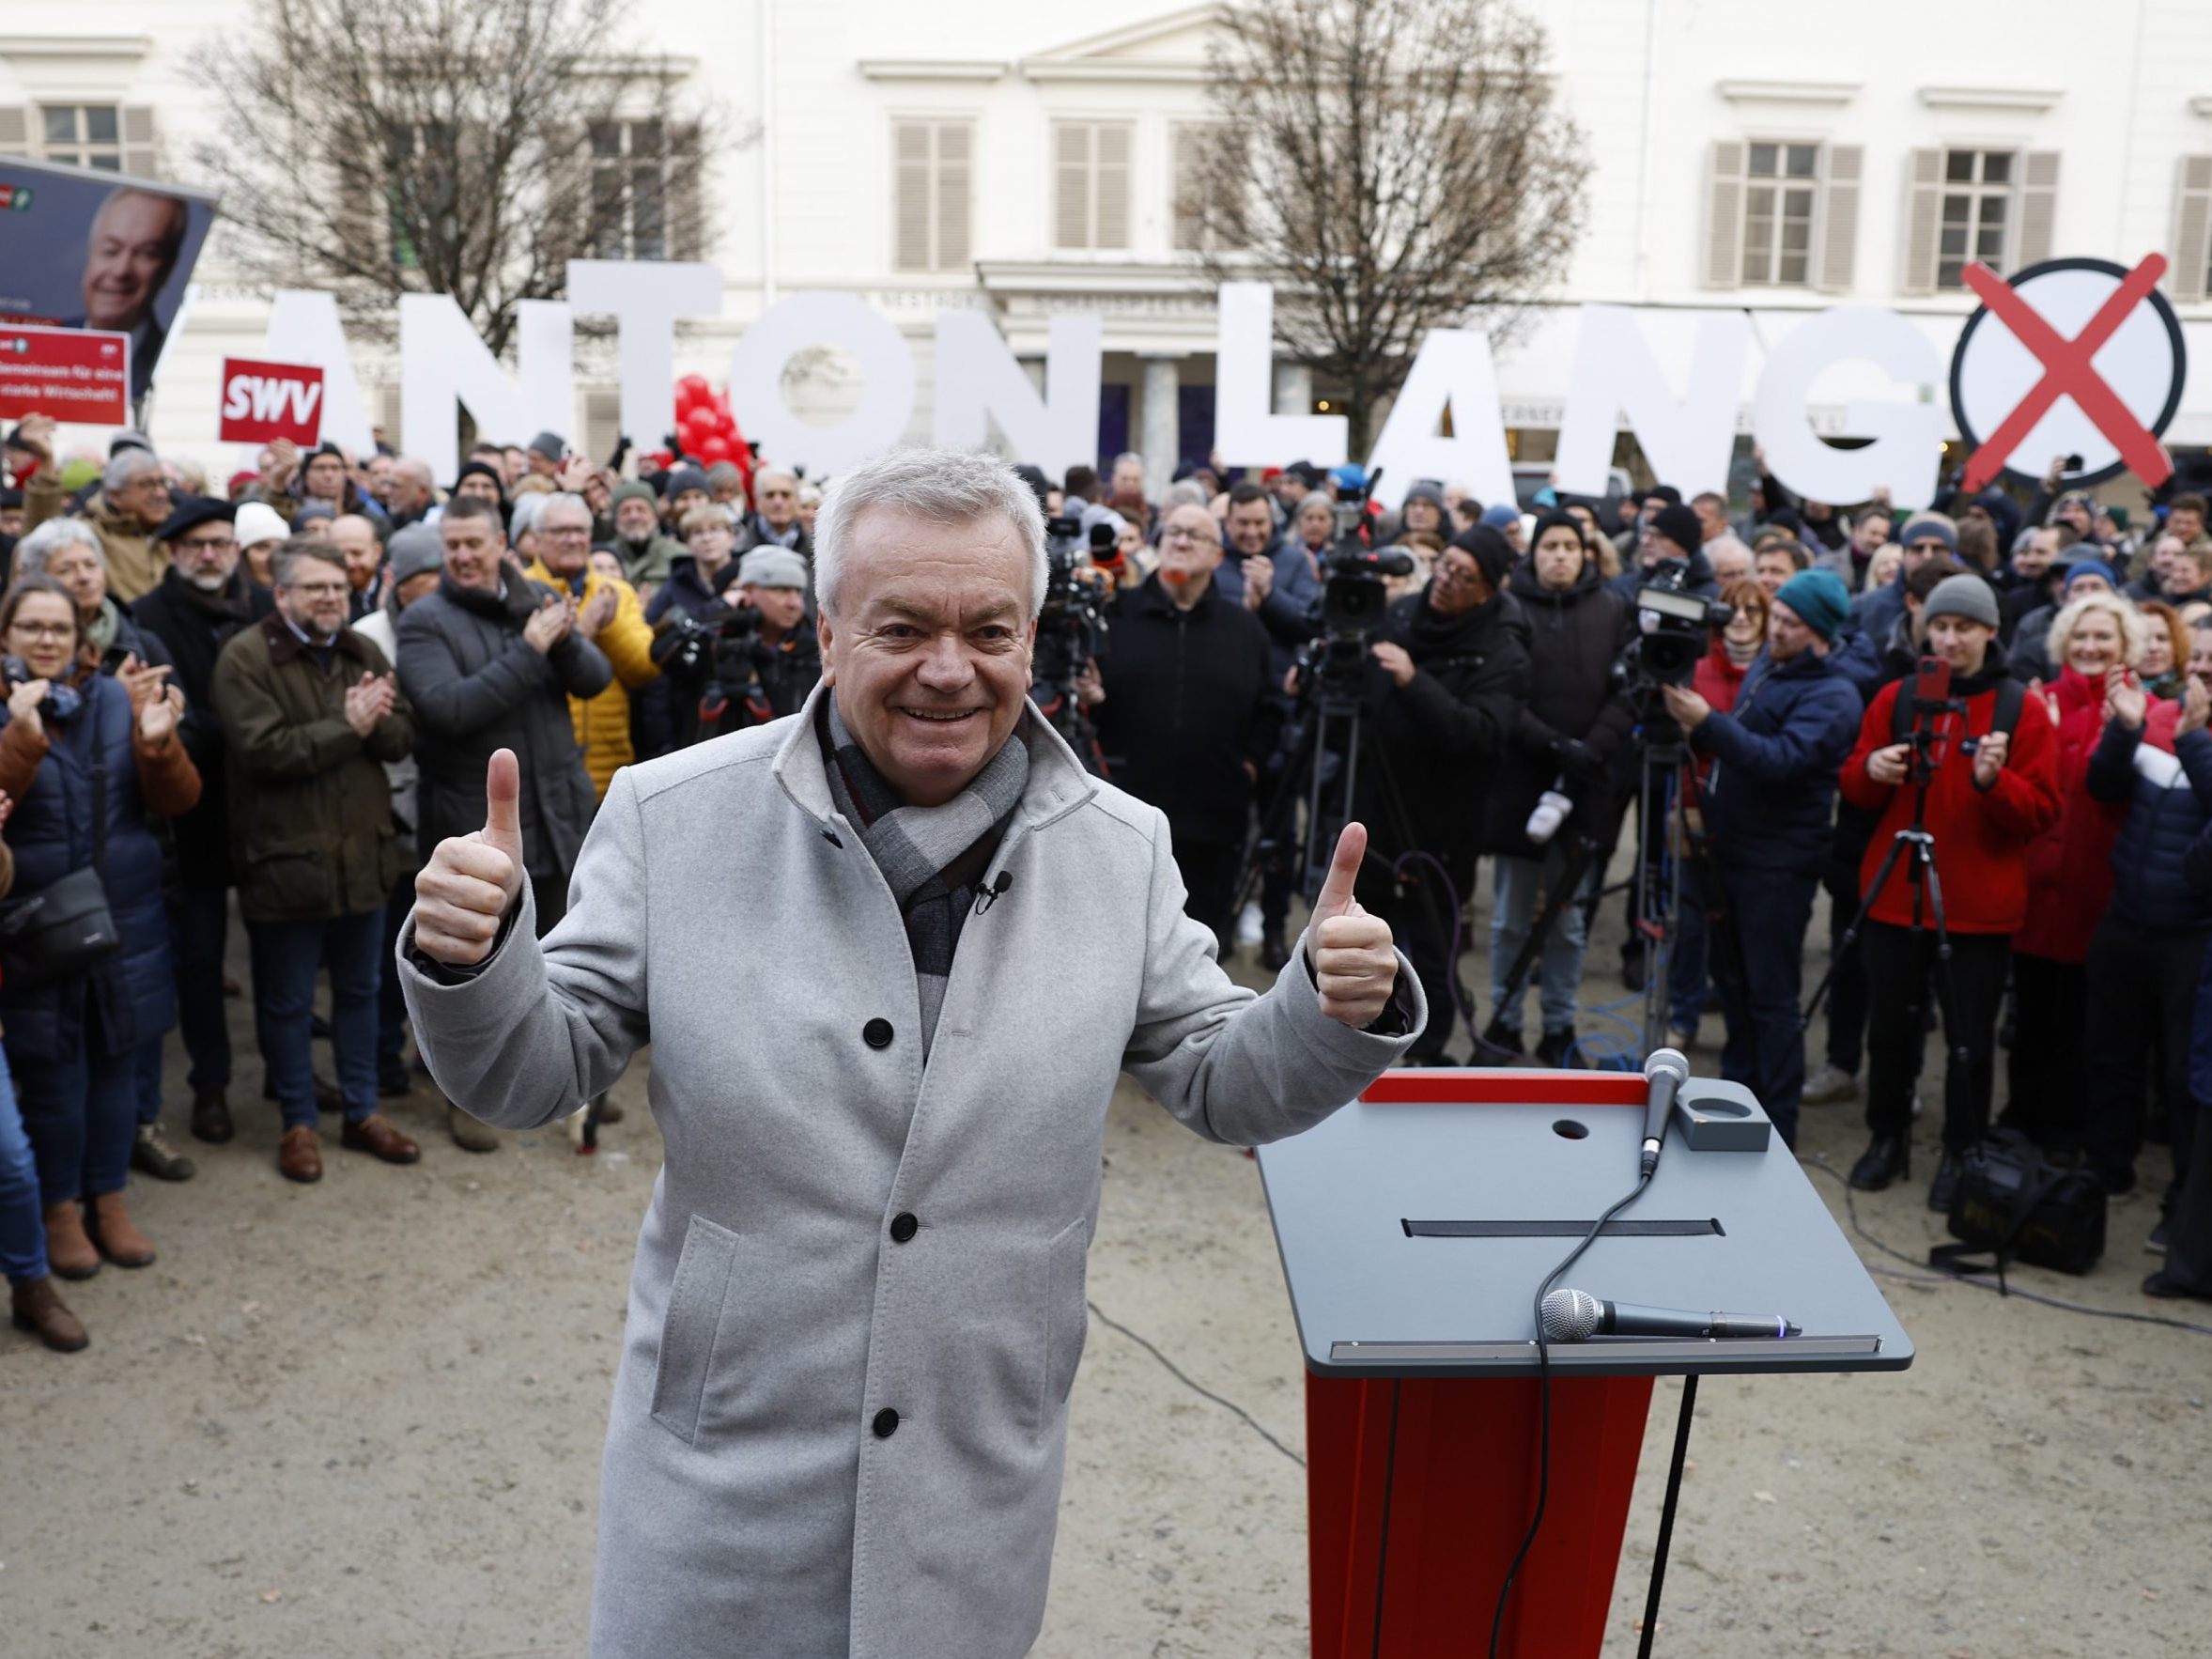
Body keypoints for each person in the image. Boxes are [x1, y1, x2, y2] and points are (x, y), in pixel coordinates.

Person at [396, 445, 1418, 1655]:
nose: (950, 669)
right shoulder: (676, 817)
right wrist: (473, 954)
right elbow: (531, 1071)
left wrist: (1327, 1003)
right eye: (902, 627)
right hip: (724, 1485)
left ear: (1033, 638)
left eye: (989, 629)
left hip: (973, 1472)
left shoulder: (1121, 848)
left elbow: (1219, 1075)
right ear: (828, 634)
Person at [395, 497, 611, 1151]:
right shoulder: (423, 621)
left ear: (501, 545)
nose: (462, 556)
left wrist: (563, 635)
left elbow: (594, 681)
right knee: (469, 964)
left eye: (474, 544)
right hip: (473, 826)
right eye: (451, 545)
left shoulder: (534, 599)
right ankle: (464, 1094)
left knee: (556, 955)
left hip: (556, 808)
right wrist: (528, 649)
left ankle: (563, 1081)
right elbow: (447, 710)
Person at [0, 576, 199, 1283]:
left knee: (119, 1066)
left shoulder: (115, 699)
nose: (48, 641)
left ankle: (108, 1201)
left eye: (60, 628)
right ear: (7, 637)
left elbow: (178, 801)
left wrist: (158, 747)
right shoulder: (6, 707)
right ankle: (59, 1209)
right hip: (37, 922)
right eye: (32, 628)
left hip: (125, 916)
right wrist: (21, 738)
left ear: (82, 639)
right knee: (55, 1077)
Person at [1838, 574, 2060, 1207]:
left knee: (1967, 1037)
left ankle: (1964, 1148)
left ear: (1990, 632)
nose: (1949, 638)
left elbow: (2044, 812)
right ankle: (1886, 1137)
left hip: (1974, 907)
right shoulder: (1898, 697)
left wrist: (1996, 783)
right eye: (1939, 625)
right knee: (1888, 1028)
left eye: (1964, 627)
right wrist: (1871, 769)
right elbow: (1853, 787)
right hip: (1893, 895)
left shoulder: (2018, 707)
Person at [209, 540, 422, 1182]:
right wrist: (348, 726)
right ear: (282, 596)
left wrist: (370, 723)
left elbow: (401, 735)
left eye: (337, 585)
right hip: (284, 863)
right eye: (314, 588)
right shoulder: (245, 658)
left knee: (360, 991)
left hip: (362, 859)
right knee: (287, 1001)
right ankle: (298, 1122)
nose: (330, 596)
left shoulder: (363, 649)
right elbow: (264, 751)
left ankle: (361, 1112)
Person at [1663, 570, 1861, 1146]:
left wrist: (1708, 723)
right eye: (1778, 616)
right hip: (1732, 852)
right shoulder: (1776, 668)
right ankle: (1734, 1100)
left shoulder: (1834, 693)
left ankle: (1776, 1126)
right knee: (1736, 987)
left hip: (1778, 865)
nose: (1775, 629)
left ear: (1819, 633)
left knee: (1772, 998)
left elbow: (1780, 760)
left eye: (1791, 623)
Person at [1346, 524, 1529, 1063]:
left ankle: (1428, 1053)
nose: (1445, 580)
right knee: (1363, 936)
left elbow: (1482, 735)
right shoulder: (1402, 615)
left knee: (1430, 950)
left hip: (1444, 826)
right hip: (1377, 811)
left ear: (1487, 591)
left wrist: (1413, 682)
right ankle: (1360, 1040)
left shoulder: (1504, 651)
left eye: (1462, 575)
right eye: (1445, 565)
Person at [129, 496, 279, 1153]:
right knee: (199, 959)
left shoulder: (267, 607)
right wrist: (252, 729)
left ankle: (285, 1076)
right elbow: (170, 720)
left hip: (268, 816)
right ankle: (210, 1083)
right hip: (189, 819)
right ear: (174, 552)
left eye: (221, 542)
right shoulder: (147, 619)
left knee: (279, 959)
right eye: (197, 545)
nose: (211, 555)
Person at [2003, 594, 2151, 1168]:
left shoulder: (2143, 708)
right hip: (2037, 890)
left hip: (2099, 891)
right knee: (2031, 1013)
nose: (2090, 648)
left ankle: (2068, 1128)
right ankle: (2021, 1116)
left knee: (2084, 1023)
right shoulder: (2037, 702)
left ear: (2124, 647)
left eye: (2103, 639)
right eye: (2080, 637)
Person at [1091, 504, 1278, 952]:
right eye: (1173, 532)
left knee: (1199, 948)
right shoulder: (1117, 615)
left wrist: (1247, 764)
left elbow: (1271, 709)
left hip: (1212, 822)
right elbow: (1089, 702)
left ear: (1218, 556)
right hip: (1124, 813)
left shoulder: (1245, 630)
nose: (1180, 541)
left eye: (1195, 535)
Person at [1485, 512, 1633, 1062]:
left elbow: (1628, 691)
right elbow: (1504, 689)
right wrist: (1552, 745)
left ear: (1585, 551)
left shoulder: (1613, 608)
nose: (1561, 556)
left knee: (1568, 923)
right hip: (1523, 782)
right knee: (1510, 917)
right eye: (1550, 545)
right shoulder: (1509, 608)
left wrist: (1589, 750)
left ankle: (1559, 1025)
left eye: (1571, 545)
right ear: (1534, 551)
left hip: (1585, 785)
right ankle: (1503, 1019)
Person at [2081, 638, 2212, 1236]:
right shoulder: (2157, 714)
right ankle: (2106, 1170)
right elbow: (2104, 788)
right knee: (2111, 1054)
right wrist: (2125, 730)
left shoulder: (2186, 728)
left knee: (2184, 1077)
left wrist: (2194, 736)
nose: (2205, 670)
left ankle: (2181, 1203)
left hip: (2193, 936)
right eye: (2202, 659)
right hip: (2127, 918)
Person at [352, 523, 446, 1098]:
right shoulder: (370, 635)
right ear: (397, 582)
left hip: (442, 803)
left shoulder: (452, 625)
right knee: (394, 942)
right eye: (420, 580)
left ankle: (429, 1054)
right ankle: (385, 1052)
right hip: (388, 810)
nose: (431, 591)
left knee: (441, 945)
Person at [520, 493, 657, 802]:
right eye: (560, 531)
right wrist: (583, 632)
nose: (572, 539)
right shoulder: (520, 591)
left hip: (611, 771)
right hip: (542, 773)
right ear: (537, 539)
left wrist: (609, 627)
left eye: (580, 531)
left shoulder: (617, 592)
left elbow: (644, 669)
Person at [17, 424, 173, 606]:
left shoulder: (179, 532)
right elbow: (39, 541)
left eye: (162, 483)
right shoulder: (90, 532)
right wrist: (46, 462)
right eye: (147, 485)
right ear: (115, 496)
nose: (160, 493)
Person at [70, 188, 189, 401]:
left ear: (168, 269)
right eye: (111, 250)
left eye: (147, 254)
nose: (121, 270)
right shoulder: (39, 347)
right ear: (90, 254)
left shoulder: (174, 363)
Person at [606, 480, 683, 595]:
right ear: (615, 520)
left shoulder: (678, 555)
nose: (634, 516)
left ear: (655, 516)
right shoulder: (605, 557)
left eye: (641, 509)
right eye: (625, 511)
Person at [749, 467, 812, 556]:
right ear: (758, 502)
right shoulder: (736, 549)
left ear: (797, 500)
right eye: (770, 495)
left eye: (785, 495)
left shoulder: (817, 551)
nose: (778, 502)